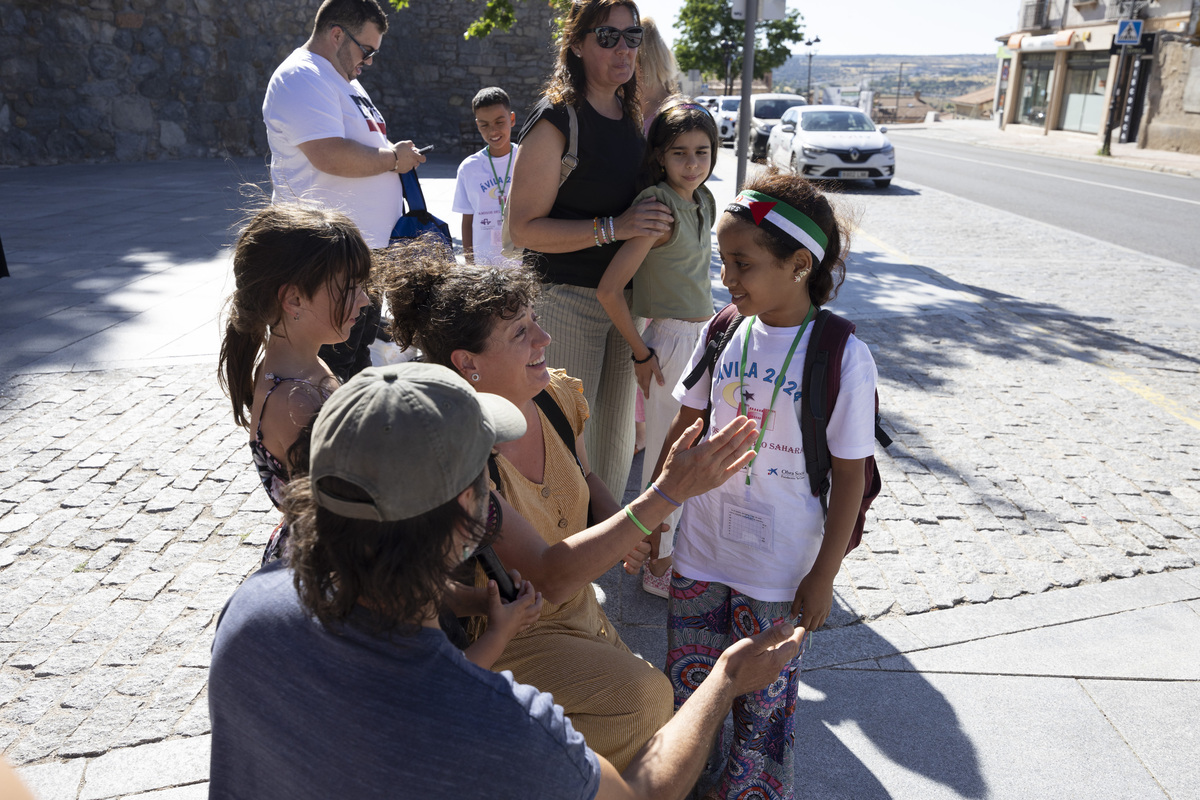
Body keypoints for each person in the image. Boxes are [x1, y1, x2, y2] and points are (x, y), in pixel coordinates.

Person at [207, 361, 805, 800]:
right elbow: (644, 796)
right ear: (470, 509)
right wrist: (726, 678)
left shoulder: (248, 615)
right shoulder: (509, 730)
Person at [381, 245, 762, 770]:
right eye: (520, 333)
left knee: (654, 703)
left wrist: (629, 531)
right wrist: (664, 495)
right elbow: (550, 577)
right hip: (510, 631)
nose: (544, 338)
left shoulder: (552, 394)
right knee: (647, 698)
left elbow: (583, 479)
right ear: (467, 364)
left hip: (578, 612)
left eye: (536, 322)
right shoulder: (456, 451)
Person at [654, 171, 879, 800]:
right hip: (702, 549)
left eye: (743, 264)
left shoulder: (842, 357)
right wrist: (655, 517)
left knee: (763, 706)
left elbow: (851, 478)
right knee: (692, 687)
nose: (728, 278)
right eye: (722, 262)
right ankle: (688, 783)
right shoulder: (723, 328)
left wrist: (823, 575)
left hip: (779, 568)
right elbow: (685, 425)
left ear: (799, 263)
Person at [507, 0, 674, 500]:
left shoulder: (631, 114)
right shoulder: (558, 120)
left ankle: (593, 556)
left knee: (613, 449)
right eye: (607, 37)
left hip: (623, 305)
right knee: (563, 441)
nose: (623, 49)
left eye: (631, 38)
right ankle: (556, 557)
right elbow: (524, 228)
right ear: (577, 45)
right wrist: (615, 227)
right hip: (564, 302)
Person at [262, 0, 426, 381]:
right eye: (366, 51)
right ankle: (305, 441)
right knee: (319, 374)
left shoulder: (339, 80)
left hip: (360, 256)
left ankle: (343, 439)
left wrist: (393, 158)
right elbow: (328, 154)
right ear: (337, 34)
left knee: (351, 370)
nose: (368, 62)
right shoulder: (302, 76)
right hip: (324, 259)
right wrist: (392, 161)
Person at [597, 99, 718, 599]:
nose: (692, 163)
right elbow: (610, 289)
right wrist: (642, 353)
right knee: (667, 460)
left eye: (702, 151)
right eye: (679, 153)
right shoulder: (658, 206)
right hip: (670, 341)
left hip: (706, 337)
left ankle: (681, 553)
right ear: (661, 157)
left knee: (697, 453)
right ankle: (655, 565)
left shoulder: (703, 200)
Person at [218, 204, 371, 566]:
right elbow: (351, 512)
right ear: (294, 300)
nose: (365, 299)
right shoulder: (294, 402)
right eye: (350, 288)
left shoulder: (303, 368)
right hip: (332, 571)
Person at [453, 86, 520, 267]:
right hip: (485, 267)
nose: (493, 131)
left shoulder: (527, 159)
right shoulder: (469, 168)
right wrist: (470, 265)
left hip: (522, 266)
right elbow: (467, 222)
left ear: (511, 119)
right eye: (484, 125)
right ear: (477, 125)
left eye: (499, 122)